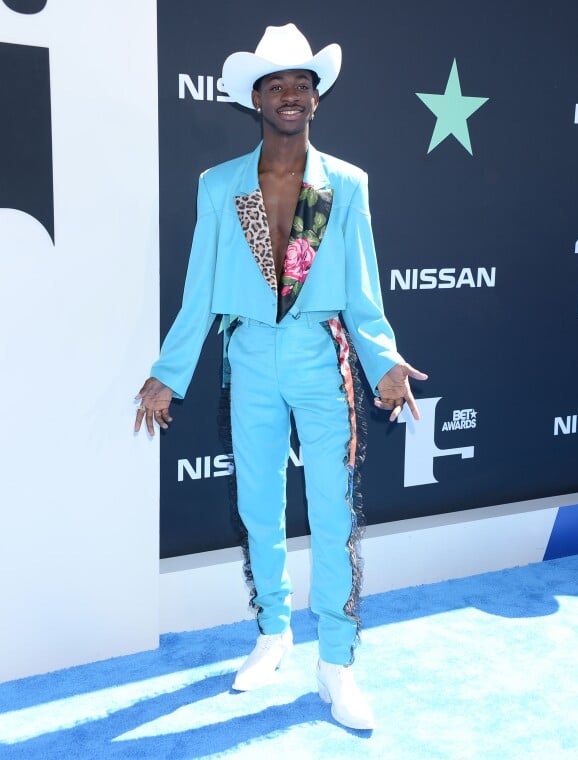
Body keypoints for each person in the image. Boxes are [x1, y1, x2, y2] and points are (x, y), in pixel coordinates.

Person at [135, 23, 427, 731]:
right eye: (276, 85)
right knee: (258, 504)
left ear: (316, 99)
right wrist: (167, 373)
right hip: (248, 357)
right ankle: (273, 633)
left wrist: (383, 363)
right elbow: (200, 289)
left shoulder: (346, 184)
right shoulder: (220, 185)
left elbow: (362, 289)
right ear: (255, 99)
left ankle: (337, 662)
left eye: (301, 83)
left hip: (320, 356)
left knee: (332, 512)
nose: (290, 95)